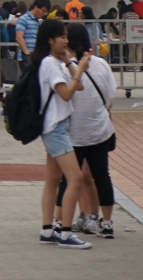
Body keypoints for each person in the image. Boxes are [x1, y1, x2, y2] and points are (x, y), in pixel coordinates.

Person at [31, 18, 95, 248]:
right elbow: (67, 94)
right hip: (56, 128)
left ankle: (47, 230)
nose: (66, 41)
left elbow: (79, 86)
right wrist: (80, 70)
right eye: (62, 37)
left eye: (67, 37)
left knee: (53, 180)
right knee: (75, 178)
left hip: (57, 126)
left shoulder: (56, 62)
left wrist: (70, 62)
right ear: (50, 40)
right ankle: (66, 233)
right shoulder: (49, 63)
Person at [54, 22, 117, 240]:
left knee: (68, 179)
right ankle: (107, 223)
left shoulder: (62, 67)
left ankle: (60, 222)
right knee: (103, 176)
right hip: (99, 131)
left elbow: (61, 98)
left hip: (72, 134)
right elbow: (109, 99)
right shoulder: (101, 64)